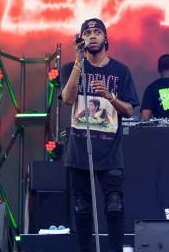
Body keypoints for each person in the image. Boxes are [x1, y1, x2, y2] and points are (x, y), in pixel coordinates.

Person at [61, 18, 139, 252]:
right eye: (87, 33)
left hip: (109, 152)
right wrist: (78, 62)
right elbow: (67, 99)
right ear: (81, 39)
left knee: (114, 205)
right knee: (81, 207)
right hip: (79, 151)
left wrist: (109, 96)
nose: (92, 36)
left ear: (105, 38)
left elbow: (129, 110)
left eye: (97, 32)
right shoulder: (70, 68)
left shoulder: (120, 71)